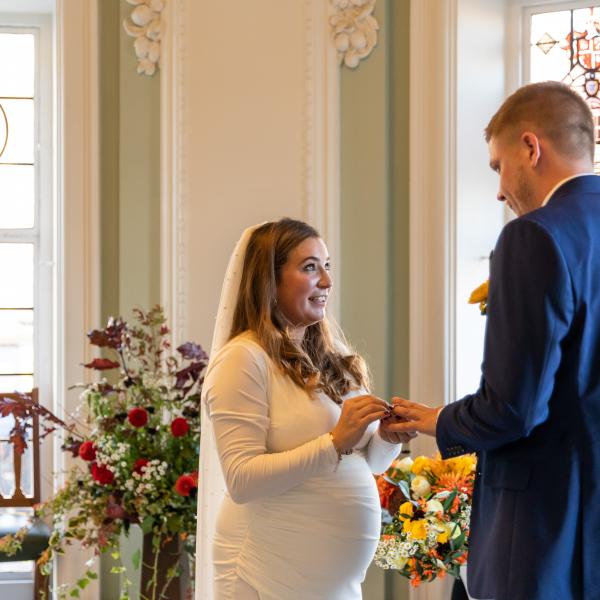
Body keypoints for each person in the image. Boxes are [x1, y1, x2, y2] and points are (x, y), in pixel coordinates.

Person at [389, 81, 600, 600]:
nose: (500, 191)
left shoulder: (536, 236)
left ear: (531, 148)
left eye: (497, 167)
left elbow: (512, 410)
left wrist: (439, 421)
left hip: (545, 533)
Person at [195, 218, 413, 600]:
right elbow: (242, 480)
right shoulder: (243, 359)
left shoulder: (333, 358)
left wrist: (386, 440)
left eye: (326, 266)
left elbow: (362, 463)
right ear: (269, 280)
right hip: (265, 568)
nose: (327, 281)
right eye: (310, 267)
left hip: (330, 583)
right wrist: (333, 443)